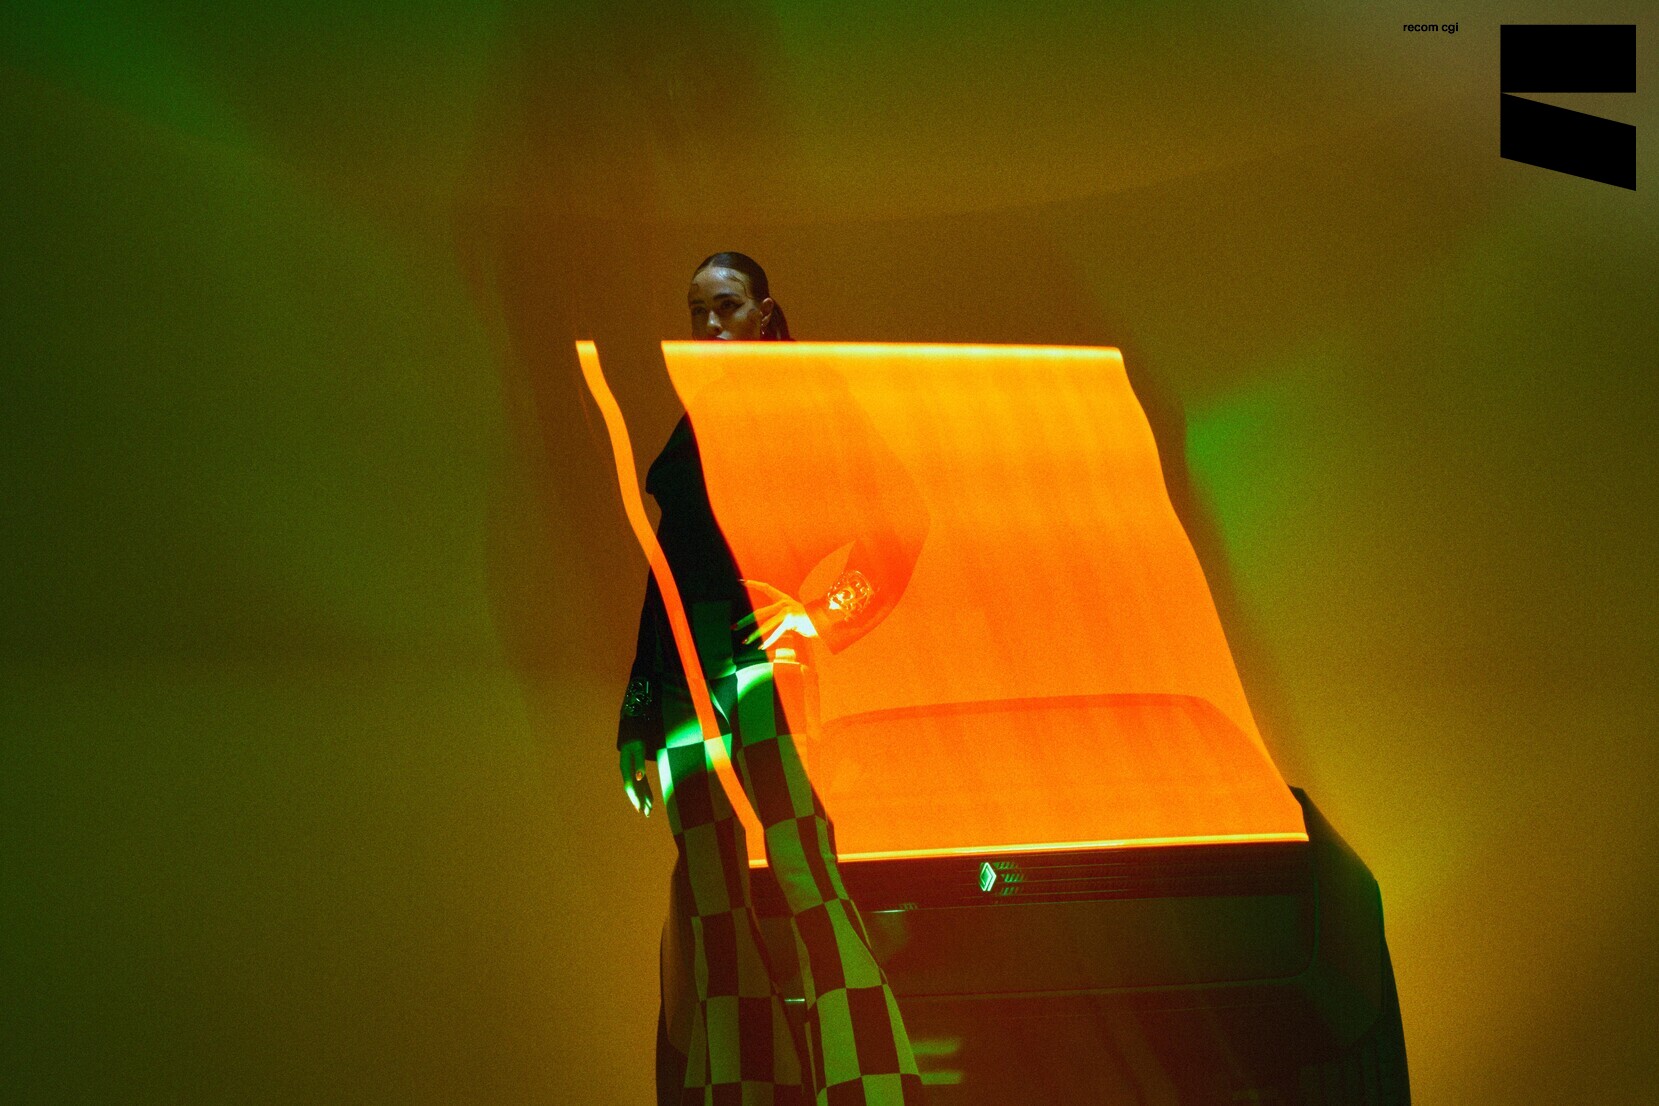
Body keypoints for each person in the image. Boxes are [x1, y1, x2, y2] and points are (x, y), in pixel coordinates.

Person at [617, 252, 929, 1105]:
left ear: (764, 312)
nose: (708, 325)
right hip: (686, 678)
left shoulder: (806, 399)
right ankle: (743, 1085)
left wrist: (817, 614)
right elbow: (668, 571)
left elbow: (899, 516)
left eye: (725, 307)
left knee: (800, 871)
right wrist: (639, 711)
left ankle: (870, 1089)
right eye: (696, 310)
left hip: (758, 667)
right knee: (712, 895)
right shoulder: (701, 416)